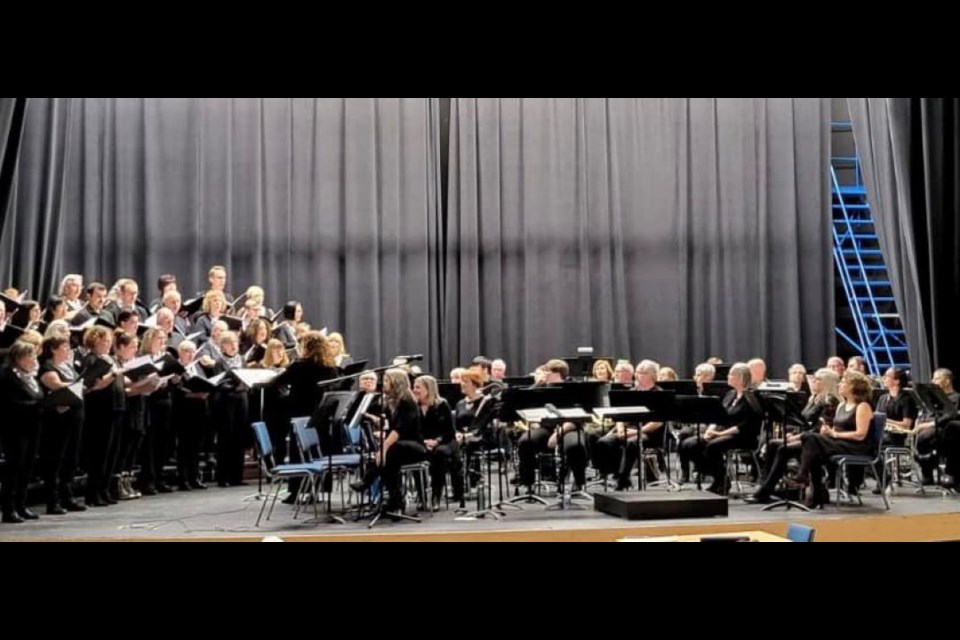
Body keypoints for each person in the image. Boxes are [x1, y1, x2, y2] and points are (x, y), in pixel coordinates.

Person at [0, 342, 45, 522]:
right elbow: (9, 403)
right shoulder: (7, 376)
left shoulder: (29, 376)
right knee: (14, 468)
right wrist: (38, 405)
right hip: (15, 428)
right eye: (31, 356)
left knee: (27, 466)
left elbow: (38, 395)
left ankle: (21, 504)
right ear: (19, 358)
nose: (34, 360)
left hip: (32, 426)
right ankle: (9, 508)